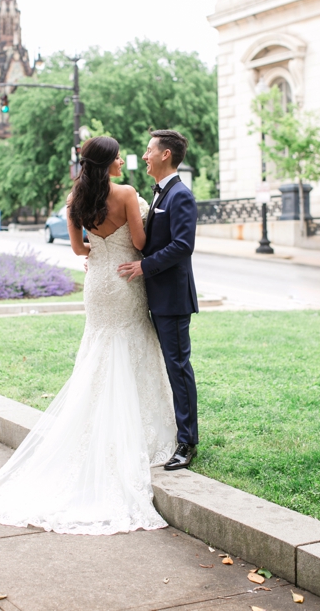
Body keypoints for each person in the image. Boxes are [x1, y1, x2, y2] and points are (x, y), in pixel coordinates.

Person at [0, 136, 177, 534]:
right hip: (125, 282)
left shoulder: (76, 202)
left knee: (100, 350)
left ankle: (92, 428)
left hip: (99, 285)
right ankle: (138, 433)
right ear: (107, 162)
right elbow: (140, 243)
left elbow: (78, 250)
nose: (124, 159)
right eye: (119, 154)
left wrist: (102, 251)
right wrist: (127, 245)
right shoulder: (126, 193)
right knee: (131, 345)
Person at [116, 129, 200, 471]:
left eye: (150, 150)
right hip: (155, 295)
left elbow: (183, 245)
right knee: (171, 366)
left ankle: (187, 442)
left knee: (178, 368)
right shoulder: (160, 193)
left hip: (173, 299)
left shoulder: (180, 195)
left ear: (166, 154)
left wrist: (144, 266)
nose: (145, 155)